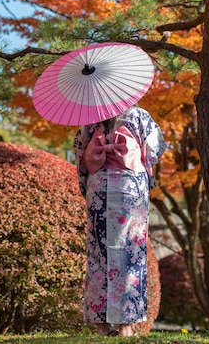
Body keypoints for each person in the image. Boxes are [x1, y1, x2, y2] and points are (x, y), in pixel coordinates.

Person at [73, 105, 165, 337]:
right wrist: (142, 158)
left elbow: (80, 155)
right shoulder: (139, 115)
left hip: (99, 188)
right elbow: (155, 148)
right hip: (129, 186)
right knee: (130, 252)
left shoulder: (89, 120)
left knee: (98, 253)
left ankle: (102, 326)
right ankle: (126, 326)